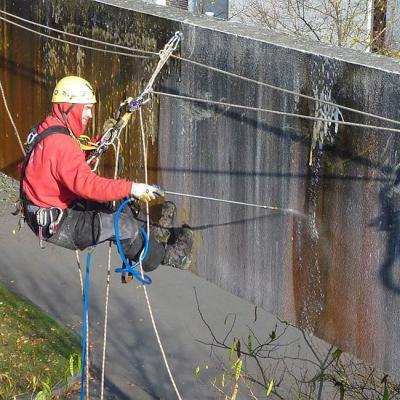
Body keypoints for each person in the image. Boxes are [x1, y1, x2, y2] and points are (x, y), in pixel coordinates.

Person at [20, 76, 193, 275]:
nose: (90, 114)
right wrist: (132, 187)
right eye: (86, 108)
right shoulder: (61, 144)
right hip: (59, 223)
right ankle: (168, 257)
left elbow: (68, 162)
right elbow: (86, 184)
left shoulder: (49, 129)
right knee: (122, 225)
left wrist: (105, 137)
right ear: (70, 107)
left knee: (117, 203)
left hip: (50, 208)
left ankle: (153, 234)